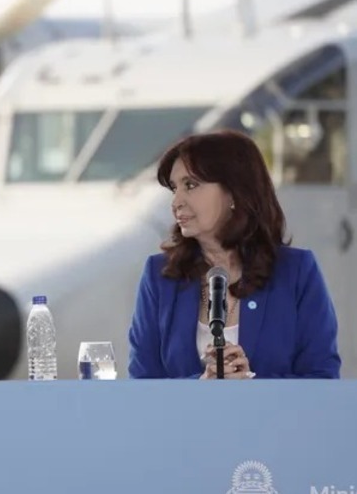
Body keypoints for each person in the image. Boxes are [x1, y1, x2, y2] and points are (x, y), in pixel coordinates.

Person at [127, 129, 340, 379]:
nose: (176, 202)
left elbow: (323, 380)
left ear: (234, 192)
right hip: (186, 420)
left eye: (191, 185)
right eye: (175, 188)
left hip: (273, 420)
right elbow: (141, 386)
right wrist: (200, 386)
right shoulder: (160, 275)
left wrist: (249, 385)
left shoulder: (297, 271)